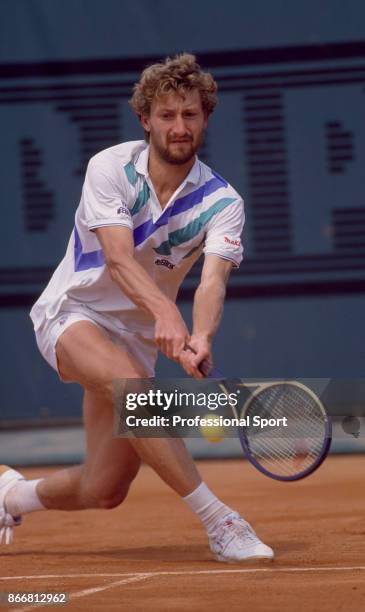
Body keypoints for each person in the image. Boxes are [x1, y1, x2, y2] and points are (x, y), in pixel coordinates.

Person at [0, 53, 273, 561]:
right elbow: (119, 261)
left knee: (104, 489)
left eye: (190, 114)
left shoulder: (224, 203)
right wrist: (167, 315)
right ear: (145, 119)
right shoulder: (111, 168)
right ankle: (221, 522)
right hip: (72, 314)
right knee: (136, 392)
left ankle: (12, 495)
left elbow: (213, 281)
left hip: (133, 341)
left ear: (205, 119)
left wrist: (202, 334)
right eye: (167, 115)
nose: (179, 126)